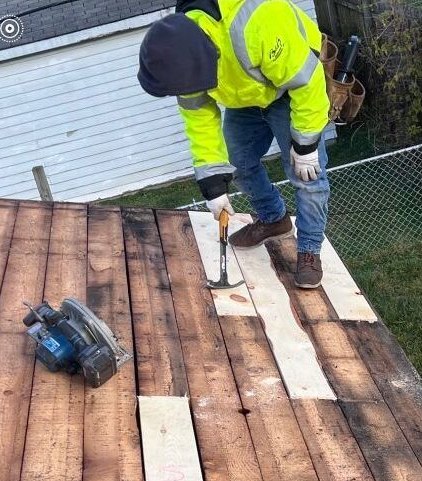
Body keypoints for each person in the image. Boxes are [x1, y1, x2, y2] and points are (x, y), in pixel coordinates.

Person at [137, 0, 330, 288]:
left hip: (293, 88)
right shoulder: (182, 58)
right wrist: (213, 184)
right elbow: (201, 124)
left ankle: (310, 250)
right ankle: (274, 219)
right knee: (238, 160)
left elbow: (307, 82)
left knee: (306, 174)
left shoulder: (258, 22)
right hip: (247, 94)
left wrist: (305, 145)